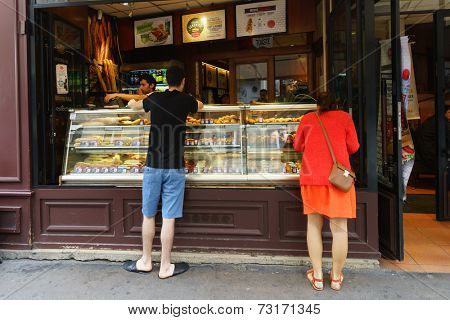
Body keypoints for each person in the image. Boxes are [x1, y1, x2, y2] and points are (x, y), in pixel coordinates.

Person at [123, 63, 203, 279]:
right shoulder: (186, 99)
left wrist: (135, 99)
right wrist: (189, 97)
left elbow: (133, 106)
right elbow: (201, 106)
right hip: (175, 167)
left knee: (148, 215)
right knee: (168, 218)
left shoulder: (154, 99)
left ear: (165, 81)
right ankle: (165, 266)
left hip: (152, 166)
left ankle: (146, 261)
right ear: (183, 81)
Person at [293, 93, 359, 291]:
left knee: (313, 226)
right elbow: (354, 147)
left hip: (312, 179)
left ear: (318, 106)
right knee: (339, 229)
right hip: (338, 181)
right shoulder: (345, 118)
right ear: (337, 104)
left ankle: (318, 276)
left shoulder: (307, 119)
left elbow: (297, 146)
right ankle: (337, 277)